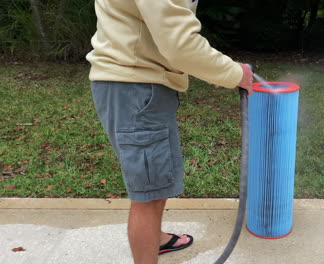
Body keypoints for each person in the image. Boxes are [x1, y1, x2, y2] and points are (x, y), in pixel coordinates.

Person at [86, 0, 253, 263]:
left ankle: (157, 239)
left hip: (134, 83)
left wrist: (209, 68)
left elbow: (160, 29)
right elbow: (179, 44)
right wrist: (233, 73)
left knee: (154, 184)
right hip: (136, 86)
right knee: (148, 195)